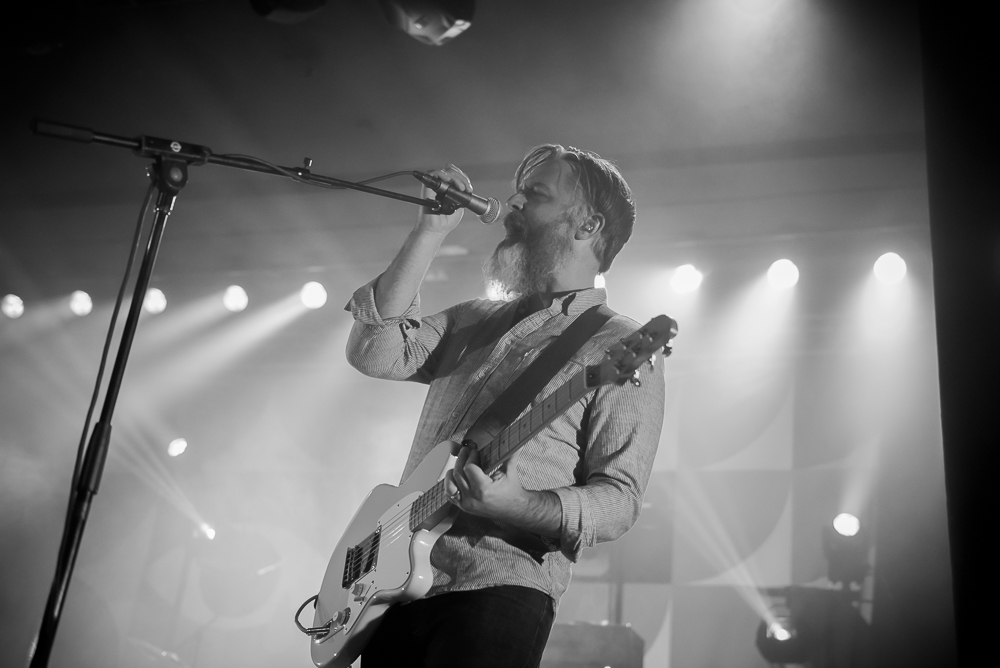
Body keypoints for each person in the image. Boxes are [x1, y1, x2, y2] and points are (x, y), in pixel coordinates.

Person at [344, 145, 666, 668]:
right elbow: (373, 351)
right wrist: (428, 232)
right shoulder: (474, 318)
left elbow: (620, 498)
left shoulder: (621, 346)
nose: (513, 201)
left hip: (499, 585)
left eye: (535, 194)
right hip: (394, 583)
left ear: (587, 225)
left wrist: (519, 506)